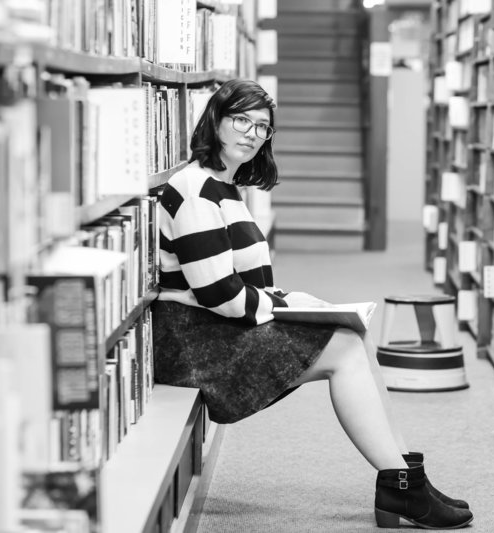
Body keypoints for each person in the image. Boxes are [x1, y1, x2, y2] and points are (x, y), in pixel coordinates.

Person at [152, 78, 473, 530]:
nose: (250, 132)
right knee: (342, 348)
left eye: (261, 126)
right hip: (194, 343)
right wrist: (284, 307)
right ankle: (401, 486)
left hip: (215, 328)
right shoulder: (193, 189)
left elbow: (243, 285)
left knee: (354, 334)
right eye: (240, 120)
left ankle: (405, 473)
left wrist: (289, 300)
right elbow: (219, 295)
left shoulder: (225, 186)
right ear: (215, 122)